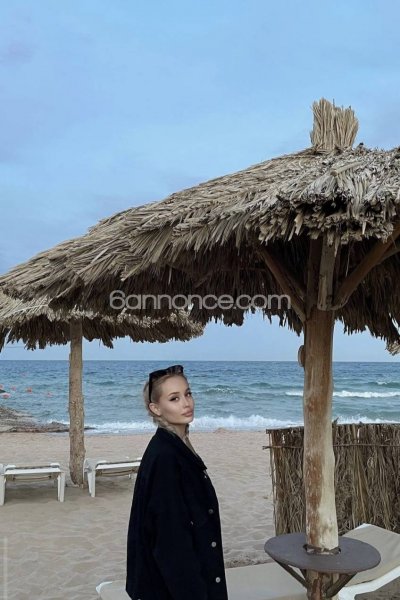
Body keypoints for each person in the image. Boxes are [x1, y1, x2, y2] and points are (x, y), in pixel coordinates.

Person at [126, 364, 228, 600]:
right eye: (174, 398)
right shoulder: (166, 457)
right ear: (156, 408)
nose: (186, 403)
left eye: (188, 394)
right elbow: (170, 542)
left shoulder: (177, 447)